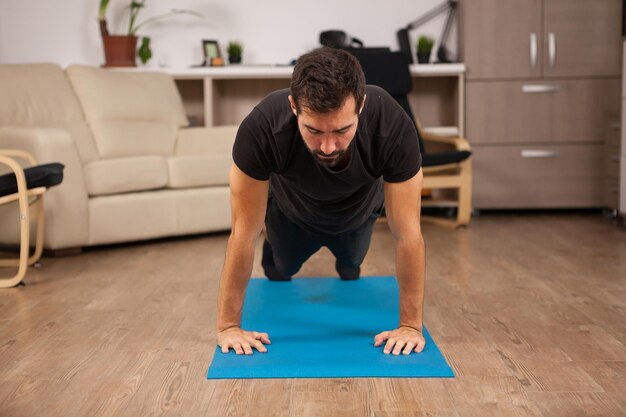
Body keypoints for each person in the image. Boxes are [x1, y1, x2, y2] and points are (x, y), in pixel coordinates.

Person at [216, 47, 426, 356]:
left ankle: (346, 260)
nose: (328, 146)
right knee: (281, 268)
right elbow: (242, 233)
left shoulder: (391, 124)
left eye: (342, 130)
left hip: (357, 213)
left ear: (362, 105)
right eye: (313, 130)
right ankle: (277, 249)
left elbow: (408, 234)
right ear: (293, 107)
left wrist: (410, 326)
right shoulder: (262, 128)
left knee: (352, 263)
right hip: (291, 212)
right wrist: (228, 327)